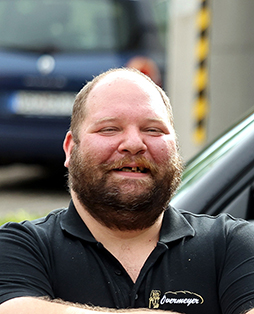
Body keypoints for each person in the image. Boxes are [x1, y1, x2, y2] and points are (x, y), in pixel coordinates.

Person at [0, 68, 254, 314]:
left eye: (153, 129)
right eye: (109, 128)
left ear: (175, 148)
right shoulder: (20, 247)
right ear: (70, 149)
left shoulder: (233, 244)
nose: (134, 144)